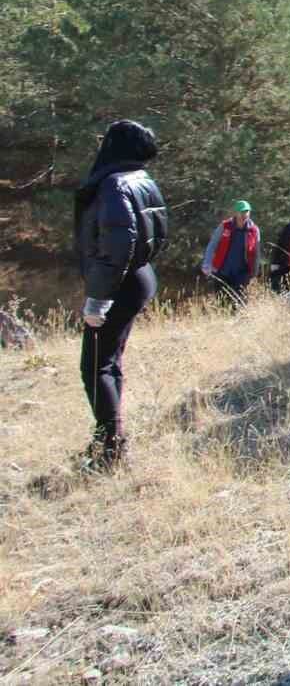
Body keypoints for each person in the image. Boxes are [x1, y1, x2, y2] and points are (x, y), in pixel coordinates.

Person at [75, 120, 167, 470]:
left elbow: (118, 247)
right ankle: (107, 440)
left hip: (120, 284)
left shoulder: (114, 184)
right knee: (109, 363)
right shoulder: (140, 178)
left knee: (95, 367)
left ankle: (111, 450)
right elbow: (155, 234)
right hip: (139, 277)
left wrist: (98, 299)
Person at [200, 200, 260, 306]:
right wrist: (207, 264)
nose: (244, 215)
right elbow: (212, 245)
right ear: (235, 213)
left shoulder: (254, 230)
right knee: (222, 302)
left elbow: (256, 252)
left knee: (239, 302)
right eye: (241, 212)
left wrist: (254, 272)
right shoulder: (225, 226)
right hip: (222, 271)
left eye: (246, 212)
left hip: (242, 273)